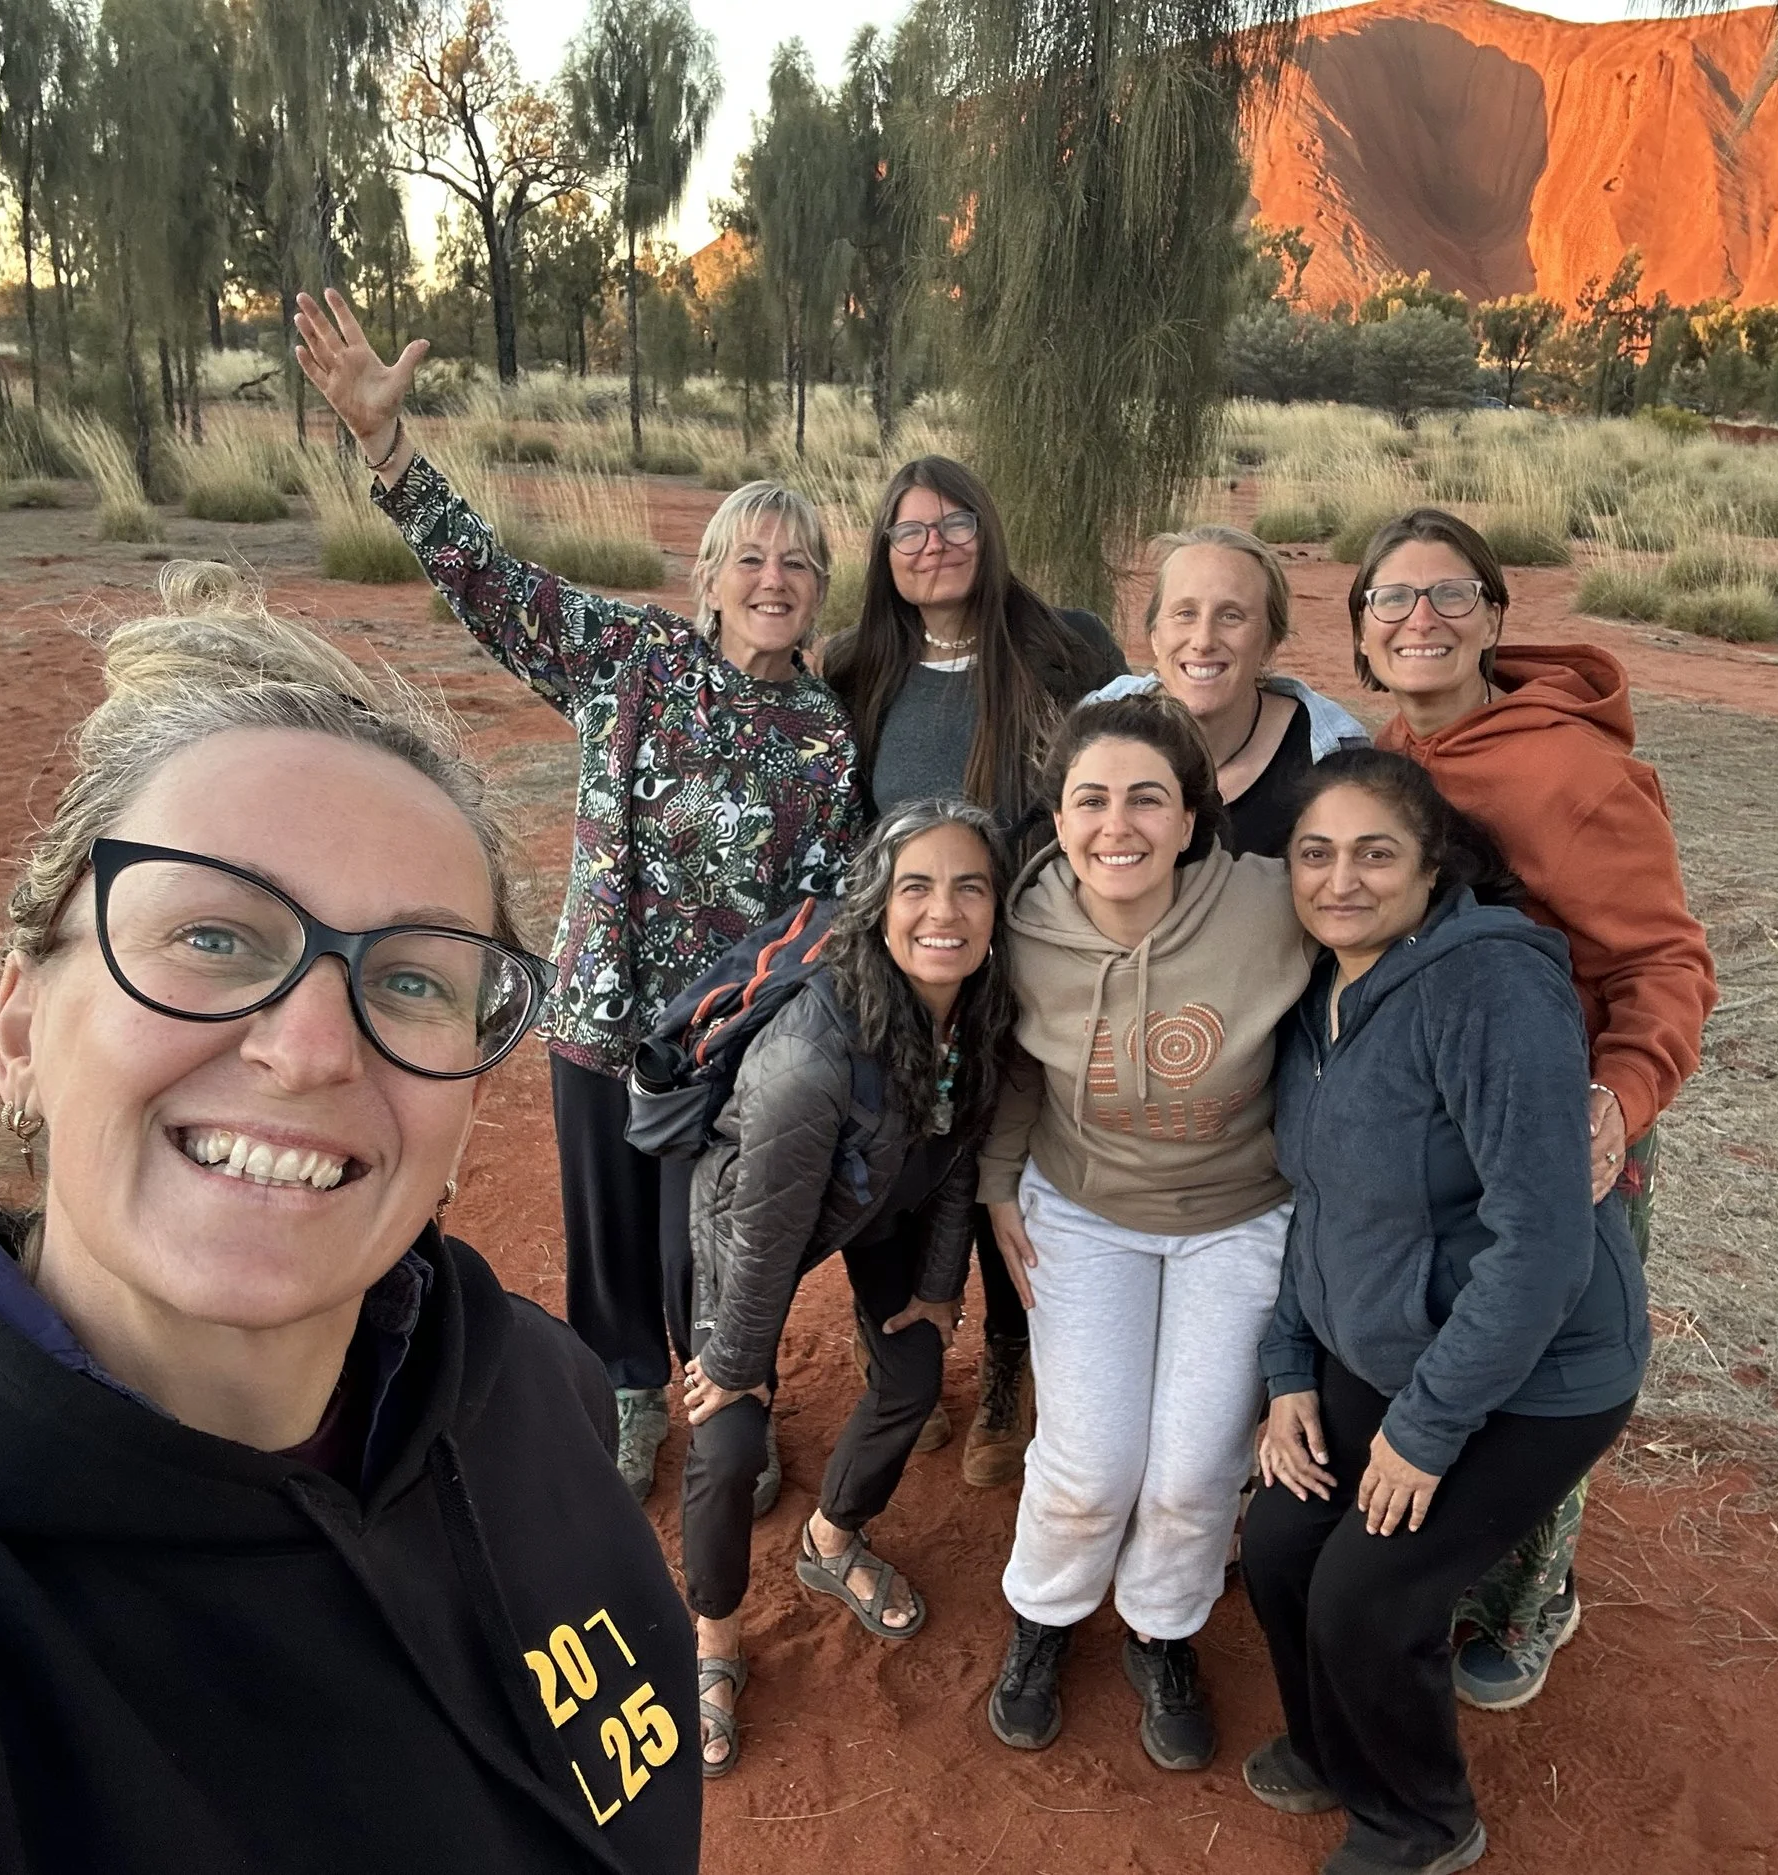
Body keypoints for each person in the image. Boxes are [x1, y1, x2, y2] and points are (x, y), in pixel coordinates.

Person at [0, 568, 699, 1874]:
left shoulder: (539, 1388)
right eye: (215, 936)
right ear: (22, 1024)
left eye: (411, 977)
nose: (309, 1046)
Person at [295, 288, 863, 1500]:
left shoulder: (825, 733)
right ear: (707, 580)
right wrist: (385, 447)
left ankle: (725, 1394)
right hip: (602, 1017)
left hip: (722, 1040)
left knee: (703, 1239)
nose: (774, 577)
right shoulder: (634, 658)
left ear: (819, 593)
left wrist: (756, 1023)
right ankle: (629, 1395)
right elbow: (490, 585)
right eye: (749, 558)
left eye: (797, 562)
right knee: (608, 1235)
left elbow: (821, 908)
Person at [1241, 748, 1648, 1875]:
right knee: (1279, 1543)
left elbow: (1547, 1241)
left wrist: (1424, 1432)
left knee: (1370, 1596)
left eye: (1377, 854)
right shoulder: (1315, 999)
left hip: (1535, 1373)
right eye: (1316, 855)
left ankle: (1421, 1823)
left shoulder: (1489, 987)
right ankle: (1336, 1749)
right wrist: (1286, 1376)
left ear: (1432, 870)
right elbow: (1315, 1206)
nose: (1342, 880)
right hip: (1380, 1345)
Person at [1347, 507, 1715, 1710]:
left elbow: (1663, 963)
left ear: (1497, 617)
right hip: (1444, 1127)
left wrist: (1620, 1097)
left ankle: (1534, 1596)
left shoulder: (1570, 771)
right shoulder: (1391, 758)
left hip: (1566, 1126)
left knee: (1546, 1360)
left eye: (1449, 596)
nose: (1420, 620)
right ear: (1359, 632)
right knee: (1455, 1347)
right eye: (1392, 600)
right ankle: (1449, 1568)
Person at [977, 693, 1314, 1772]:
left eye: (1144, 800)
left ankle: (1162, 1630)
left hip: (1239, 1215)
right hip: (1083, 1211)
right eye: (1090, 801)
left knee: (1192, 1466)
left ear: (1188, 817)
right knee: (1090, 1458)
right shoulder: (1024, 929)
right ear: (1059, 817)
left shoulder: (1271, 906)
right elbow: (1022, 1070)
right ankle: (1045, 1614)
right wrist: (995, 1187)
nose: (1115, 824)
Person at [679, 800, 1016, 1776]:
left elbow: (954, 1162)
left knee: (913, 1373)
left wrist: (942, 1285)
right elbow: (764, 1231)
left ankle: (831, 1540)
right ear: (876, 905)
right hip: (752, 1212)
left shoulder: (984, 1015)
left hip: (880, 1197)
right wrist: (738, 1369)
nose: (942, 911)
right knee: (731, 1437)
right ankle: (714, 1641)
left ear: (997, 909)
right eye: (915, 886)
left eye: (969, 886)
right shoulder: (808, 1064)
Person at [821, 456, 1125, 1488]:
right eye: (907, 533)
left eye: (953, 523)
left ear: (987, 533)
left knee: (1004, 1170)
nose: (933, 545)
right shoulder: (857, 667)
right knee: (886, 1164)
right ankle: (894, 1352)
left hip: (1031, 962)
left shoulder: (1060, 648)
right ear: (884, 556)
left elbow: (1128, 766)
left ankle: (1005, 1368)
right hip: (903, 968)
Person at [1085, 523, 1367, 856]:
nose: (1203, 640)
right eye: (1185, 613)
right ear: (1155, 636)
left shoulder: (1331, 757)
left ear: (1269, 643)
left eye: (1231, 616)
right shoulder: (1094, 728)